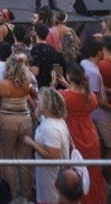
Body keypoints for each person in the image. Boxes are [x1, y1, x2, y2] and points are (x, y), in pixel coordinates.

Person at [56, 63, 107, 204]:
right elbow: (79, 97)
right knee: (92, 172)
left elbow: (61, 100)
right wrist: (68, 85)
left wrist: (53, 83)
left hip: (73, 135)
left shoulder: (63, 96)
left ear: (69, 77)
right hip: (91, 134)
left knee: (75, 172)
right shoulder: (90, 96)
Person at [0, 54, 36, 199]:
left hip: (7, 121)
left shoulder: (0, 84)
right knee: (25, 160)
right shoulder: (27, 82)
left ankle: (11, 196)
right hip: (25, 121)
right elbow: (35, 95)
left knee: (7, 159)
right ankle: (26, 195)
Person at [23, 87, 71, 204]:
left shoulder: (51, 127)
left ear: (47, 105)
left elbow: (53, 156)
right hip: (47, 176)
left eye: (39, 100)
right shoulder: (50, 119)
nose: (36, 102)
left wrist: (31, 143)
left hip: (52, 179)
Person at [79, 37, 111, 152]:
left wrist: (106, 90)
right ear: (98, 52)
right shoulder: (93, 72)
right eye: (103, 50)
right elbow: (95, 98)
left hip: (95, 114)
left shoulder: (85, 64)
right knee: (109, 147)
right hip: (100, 116)